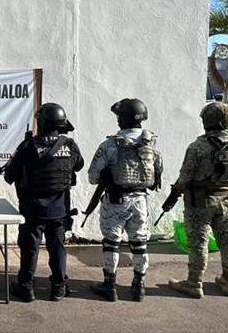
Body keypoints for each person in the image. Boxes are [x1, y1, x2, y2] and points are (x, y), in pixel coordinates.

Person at [3, 102, 84, 302]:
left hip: (33, 209)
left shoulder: (27, 146)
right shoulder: (70, 146)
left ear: (41, 122)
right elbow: (79, 165)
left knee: (30, 247)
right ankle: (59, 288)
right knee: (57, 248)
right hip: (60, 209)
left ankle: (26, 287)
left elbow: (9, 176)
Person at [87, 98, 163, 302]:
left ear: (121, 119)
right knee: (139, 244)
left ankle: (109, 285)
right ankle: (139, 287)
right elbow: (158, 172)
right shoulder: (151, 143)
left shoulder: (110, 145)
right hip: (141, 200)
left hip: (115, 200)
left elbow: (93, 176)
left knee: (111, 243)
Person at [168, 102, 228, 298]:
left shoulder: (198, 147)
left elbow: (185, 179)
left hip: (199, 202)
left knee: (198, 242)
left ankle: (194, 283)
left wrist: (177, 189)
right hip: (227, 199)